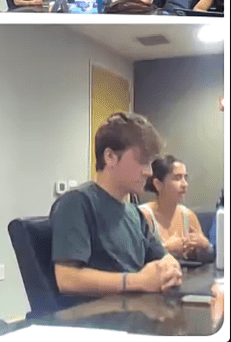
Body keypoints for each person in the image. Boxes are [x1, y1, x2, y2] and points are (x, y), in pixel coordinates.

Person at [51, 112, 182, 297]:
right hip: (98, 319)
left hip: (135, 313)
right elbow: (67, 279)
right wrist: (138, 281)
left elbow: (163, 256)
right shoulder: (76, 204)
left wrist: (171, 267)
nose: (149, 172)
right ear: (110, 157)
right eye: (142, 161)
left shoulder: (135, 214)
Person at [139, 156, 212, 260]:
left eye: (185, 178)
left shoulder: (188, 215)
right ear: (158, 184)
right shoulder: (144, 216)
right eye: (177, 178)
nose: (184, 184)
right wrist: (165, 248)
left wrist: (205, 245)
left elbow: (208, 259)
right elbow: (135, 260)